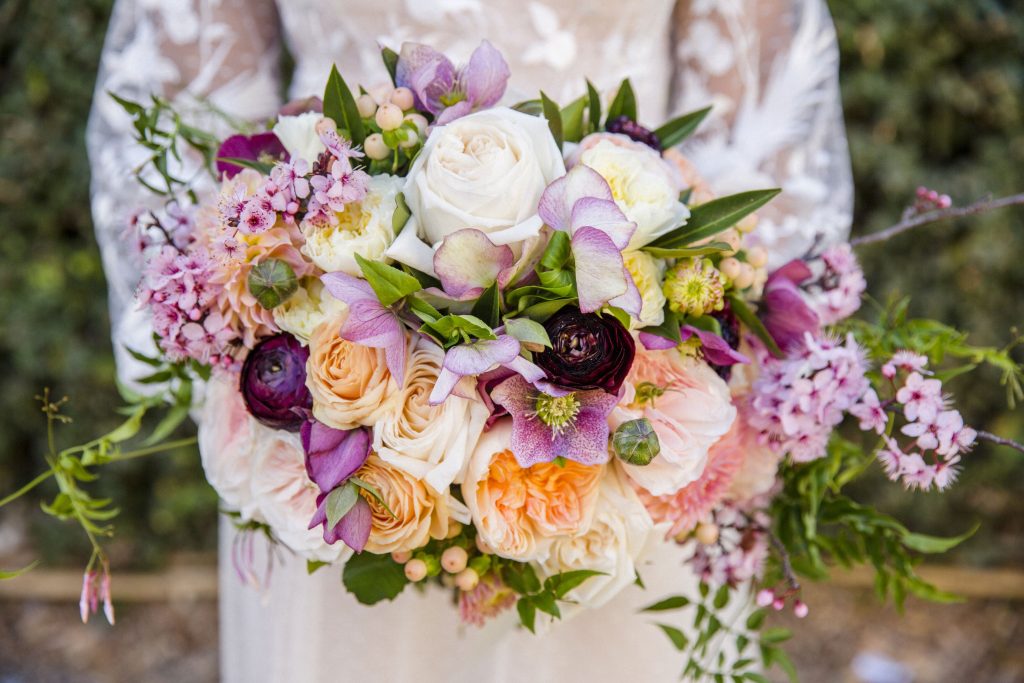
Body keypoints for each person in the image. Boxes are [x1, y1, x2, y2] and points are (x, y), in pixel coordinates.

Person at [87, 1, 852, 680]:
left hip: (630, 446)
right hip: (335, 450)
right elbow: (174, 111)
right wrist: (263, 347)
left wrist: (713, 358)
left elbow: (767, 116)